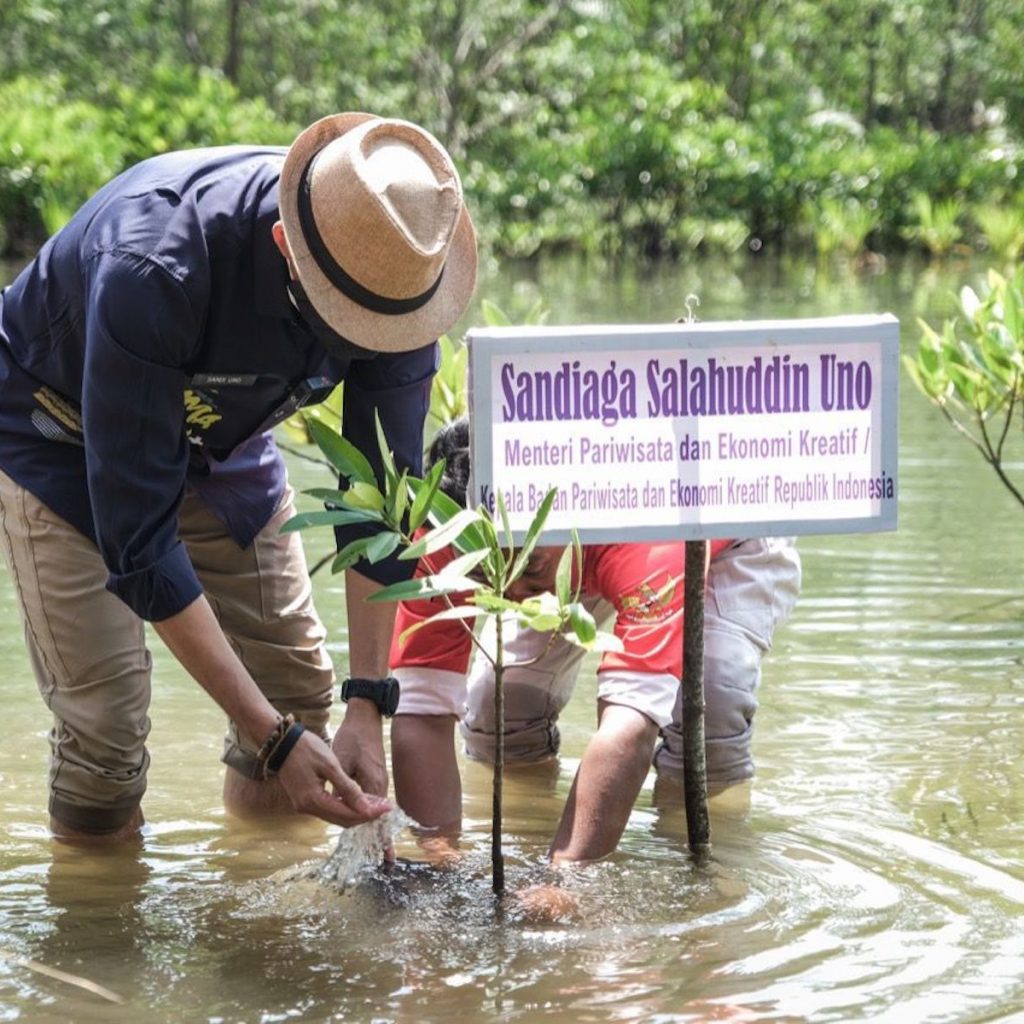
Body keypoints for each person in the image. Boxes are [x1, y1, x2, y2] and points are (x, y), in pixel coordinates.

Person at [0, 113, 477, 843]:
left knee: (300, 693)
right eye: (343, 325)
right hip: (61, 431)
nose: (363, 348)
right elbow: (142, 543)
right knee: (108, 738)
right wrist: (274, 741)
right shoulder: (153, 264)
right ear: (287, 245)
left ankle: (255, 904)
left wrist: (367, 702)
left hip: (228, 439)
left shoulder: (397, 273)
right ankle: (96, 931)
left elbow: (379, 506)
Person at [388, 419, 801, 863]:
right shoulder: (446, 537)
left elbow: (631, 722)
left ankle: (700, 858)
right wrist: (439, 854)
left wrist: (568, 874)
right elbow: (421, 707)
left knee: (711, 703)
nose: (509, 594)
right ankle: (530, 827)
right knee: (499, 704)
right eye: (488, 575)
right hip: (570, 550)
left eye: (524, 571)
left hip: (712, 526)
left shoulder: (645, 538)